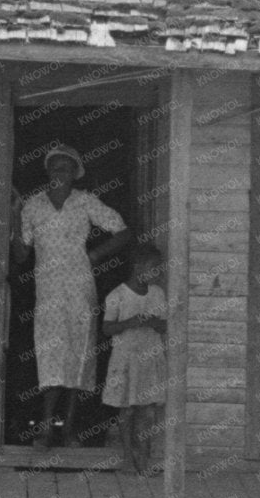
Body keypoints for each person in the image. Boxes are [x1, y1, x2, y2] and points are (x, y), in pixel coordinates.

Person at [13, 143, 130, 448]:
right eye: (54, 167)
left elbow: (122, 231)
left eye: (65, 168)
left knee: (79, 354)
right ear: (47, 171)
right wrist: (14, 217)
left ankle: (68, 429)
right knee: (50, 356)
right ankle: (46, 429)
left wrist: (93, 256)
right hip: (48, 290)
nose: (59, 172)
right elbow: (21, 255)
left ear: (75, 173)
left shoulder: (85, 202)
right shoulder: (33, 205)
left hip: (79, 289)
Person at [101, 244, 168, 474]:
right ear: (138, 267)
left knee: (147, 410)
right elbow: (107, 328)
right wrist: (129, 323)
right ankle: (128, 457)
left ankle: (144, 458)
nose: (157, 273)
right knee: (127, 409)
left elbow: (164, 325)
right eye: (153, 268)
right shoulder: (117, 295)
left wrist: (151, 321)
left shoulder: (157, 293)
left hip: (150, 357)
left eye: (158, 269)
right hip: (126, 359)